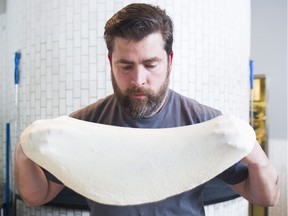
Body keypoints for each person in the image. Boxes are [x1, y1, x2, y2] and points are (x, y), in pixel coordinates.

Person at [14, 3, 280, 215]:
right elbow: (38, 196)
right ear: (110, 61)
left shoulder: (203, 123)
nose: (138, 80)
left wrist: (253, 150)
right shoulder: (85, 125)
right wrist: (23, 151)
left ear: (169, 61)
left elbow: (266, 197)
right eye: (126, 66)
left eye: (151, 64)